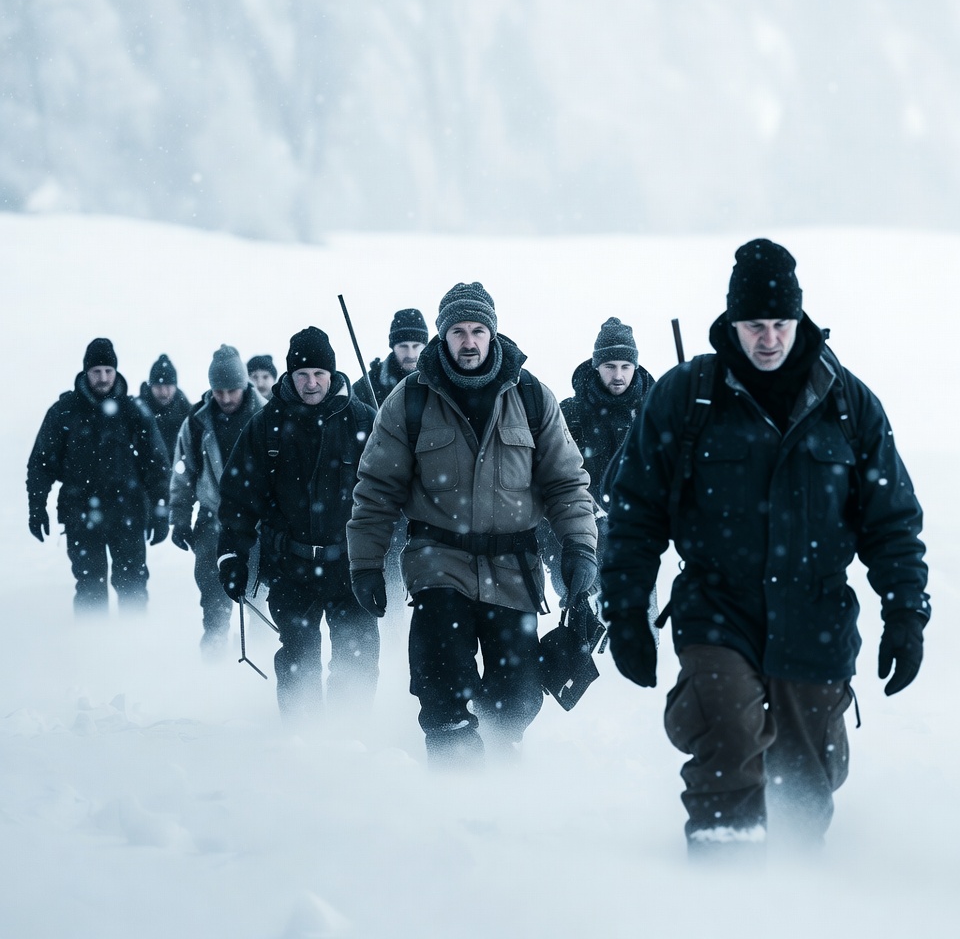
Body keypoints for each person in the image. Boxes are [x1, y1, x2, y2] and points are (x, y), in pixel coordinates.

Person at [601, 239, 930, 858]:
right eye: (755, 325)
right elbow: (635, 513)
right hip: (717, 609)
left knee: (805, 783)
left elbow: (892, 523)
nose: (770, 339)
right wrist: (625, 612)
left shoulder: (847, 403)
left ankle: (794, 890)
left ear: (800, 319)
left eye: (781, 323)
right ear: (733, 322)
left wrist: (906, 614)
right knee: (727, 731)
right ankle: (724, 876)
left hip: (815, 616)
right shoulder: (686, 396)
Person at [347, 282, 597, 768]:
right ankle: (453, 779)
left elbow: (567, 482)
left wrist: (580, 546)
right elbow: (376, 489)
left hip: (513, 570)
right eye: (458, 331)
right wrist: (365, 564)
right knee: (442, 681)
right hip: (438, 563)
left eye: (477, 330)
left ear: (492, 334)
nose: (468, 341)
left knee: (517, 697)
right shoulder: (410, 399)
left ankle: (500, 770)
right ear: (442, 335)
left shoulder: (531, 396)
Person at [217, 328, 379, 721]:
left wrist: (395, 554)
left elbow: (391, 493)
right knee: (298, 658)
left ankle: (351, 734)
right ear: (289, 375)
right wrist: (231, 556)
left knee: (357, 658)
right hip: (290, 567)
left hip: (351, 567)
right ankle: (300, 737)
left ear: (332, 374)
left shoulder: (363, 420)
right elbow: (239, 498)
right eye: (302, 374)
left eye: (319, 373)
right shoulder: (265, 425)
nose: (311, 383)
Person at [27, 338, 171, 614]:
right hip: (80, 515)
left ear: (116, 371)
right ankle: (92, 641)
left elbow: (157, 465)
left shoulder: (133, 411)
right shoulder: (64, 412)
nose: (103, 378)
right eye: (96, 371)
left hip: (128, 513)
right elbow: (41, 464)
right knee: (90, 588)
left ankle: (134, 639)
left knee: (132, 586)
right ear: (86, 372)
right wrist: (37, 507)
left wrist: (160, 508)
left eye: (108, 370)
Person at [543, 317, 655, 602]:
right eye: (610, 366)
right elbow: (547, 481)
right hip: (584, 538)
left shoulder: (654, 414)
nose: (618, 375)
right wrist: (556, 552)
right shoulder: (570, 414)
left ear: (635, 367)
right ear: (596, 366)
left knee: (639, 626)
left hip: (639, 543)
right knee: (580, 617)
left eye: (625, 366)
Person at [170, 345, 266, 661]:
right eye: (218, 390)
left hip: (259, 524)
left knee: (261, 598)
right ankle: (214, 665)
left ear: (244, 385)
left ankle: (263, 660)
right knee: (214, 601)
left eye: (232, 390)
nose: (225, 397)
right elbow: (183, 472)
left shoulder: (267, 417)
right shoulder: (197, 422)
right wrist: (179, 517)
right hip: (212, 520)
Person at [352, 308, 429, 408]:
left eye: (416, 346)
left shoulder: (440, 378)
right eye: (403, 346)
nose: (410, 354)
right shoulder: (368, 385)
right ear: (393, 347)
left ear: (425, 347)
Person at [137, 353, 191, 463]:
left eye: (168, 386)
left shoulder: (188, 414)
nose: (164, 392)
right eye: (158, 387)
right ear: (151, 386)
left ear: (175, 386)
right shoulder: (136, 412)